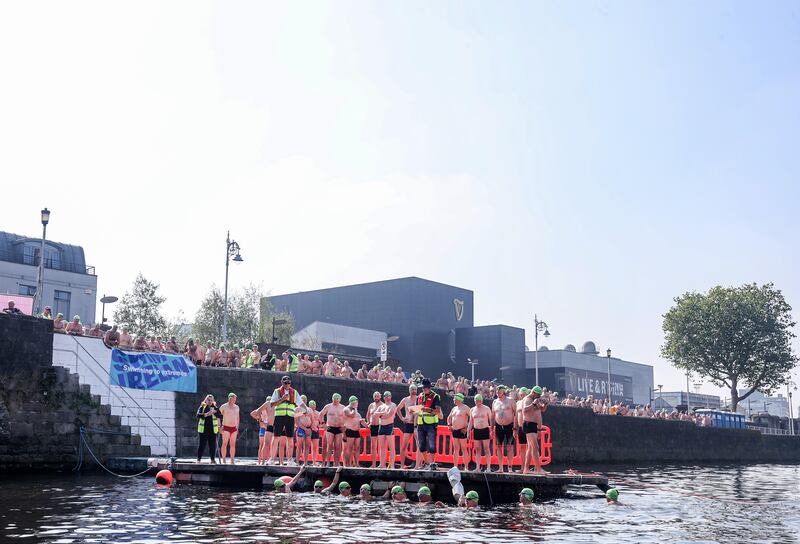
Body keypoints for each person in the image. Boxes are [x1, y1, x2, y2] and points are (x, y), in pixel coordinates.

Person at [270, 376, 303, 465]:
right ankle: (272, 459)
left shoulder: (294, 392)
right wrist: (282, 399)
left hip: (290, 416)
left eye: (288, 383)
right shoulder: (277, 391)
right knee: (276, 437)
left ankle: (289, 460)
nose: (287, 384)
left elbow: (301, 403)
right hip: (279, 416)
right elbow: (272, 404)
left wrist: (305, 409)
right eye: (285, 383)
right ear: (282, 382)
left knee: (290, 438)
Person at [416, 378, 442, 470]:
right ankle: (427, 463)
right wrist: (413, 410)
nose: (423, 389)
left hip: (431, 424)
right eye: (422, 388)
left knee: (432, 445)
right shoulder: (419, 396)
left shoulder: (435, 396)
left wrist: (428, 410)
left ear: (428, 387)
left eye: (424, 388)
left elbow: (438, 411)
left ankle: (432, 463)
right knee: (421, 446)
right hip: (420, 423)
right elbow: (417, 409)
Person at [521, 386, 548, 474]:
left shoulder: (535, 400)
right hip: (528, 424)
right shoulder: (527, 399)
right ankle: (538, 469)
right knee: (535, 447)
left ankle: (526, 469)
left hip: (533, 425)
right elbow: (524, 410)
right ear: (534, 392)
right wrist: (533, 404)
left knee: (530, 448)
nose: (539, 397)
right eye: (538, 395)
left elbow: (542, 409)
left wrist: (546, 404)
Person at [492, 385, 517, 473]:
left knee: (510, 447)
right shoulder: (495, 401)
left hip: (509, 425)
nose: (497, 392)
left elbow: (516, 413)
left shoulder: (510, 400)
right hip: (499, 426)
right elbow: (492, 416)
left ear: (504, 392)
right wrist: (492, 429)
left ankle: (510, 467)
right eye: (496, 391)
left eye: (499, 391)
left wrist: (515, 427)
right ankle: (500, 468)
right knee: (499, 446)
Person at [320, 393, 346, 467]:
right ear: (332, 399)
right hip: (330, 428)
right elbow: (321, 414)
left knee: (337, 446)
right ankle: (328, 462)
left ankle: (336, 463)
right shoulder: (328, 406)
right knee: (330, 445)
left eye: (337, 399)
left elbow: (347, 417)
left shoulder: (343, 407)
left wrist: (345, 426)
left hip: (339, 428)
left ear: (340, 400)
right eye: (334, 399)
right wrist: (323, 424)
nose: (336, 401)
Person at [447, 393, 471, 471]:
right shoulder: (454, 408)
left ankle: (466, 467)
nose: (453, 400)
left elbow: (472, 418)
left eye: (454, 399)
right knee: (456, 449)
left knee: (464, 448)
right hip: (455, 430)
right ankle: (455, 466)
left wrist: (467, 427)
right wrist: (449, 425)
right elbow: (449, 417)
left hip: (462, 430)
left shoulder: (466, 408)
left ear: (459, 399)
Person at [469, 394, 492, 472]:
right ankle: (477, 467)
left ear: (481, 401)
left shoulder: (486, 408)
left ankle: (488, 468)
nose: (477, 402)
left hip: (485, 429)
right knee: (477, 449)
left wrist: (491, 431)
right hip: (476, 430)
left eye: (478, 401)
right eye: (476, 401)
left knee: (486, 449)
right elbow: (470, 422)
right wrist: (468, 432)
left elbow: (491, 420)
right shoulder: (472, 409)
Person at [396, 384, 418, 468]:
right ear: (409, 390)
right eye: (412, 389)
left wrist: (413, 410)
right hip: (408, 424)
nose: (413, 391)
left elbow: (419, 410)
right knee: (404, 445)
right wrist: (402, 418)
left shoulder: (419, 399)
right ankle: (402, 465)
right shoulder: (405, 400)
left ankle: (418, 465)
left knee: (419, 445)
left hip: (416, 424)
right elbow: (398, 409)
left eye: (415, 389)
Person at [250, 396, 275, 465]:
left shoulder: (273, 409)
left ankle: (268, 461)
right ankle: (260, 462)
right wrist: (260, 419)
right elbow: (252, 413)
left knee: (269, 445)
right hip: (263, 428)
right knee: (262, 445)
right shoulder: (263, 409)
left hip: (269, 428)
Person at [376, 391, 398, 468]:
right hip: (381, 426)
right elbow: (375, 414)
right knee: (382, 447)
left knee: (391, 447)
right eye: (386, 396)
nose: (388, 398)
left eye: (389, 396)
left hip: (389, 426)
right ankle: (382, 464)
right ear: (384, 397)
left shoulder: (393, 405)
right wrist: (382, 414)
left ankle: (392, 465)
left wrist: (381, 415)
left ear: (391, 397)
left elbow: (389, 414)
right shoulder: (381, 406)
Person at [343, 396, 366, 467]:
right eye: (355, 402)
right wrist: (354, 408)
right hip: (349, 431)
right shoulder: (347, 409)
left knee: (357, 448)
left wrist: (368, 425)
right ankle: (348, 464)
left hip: (356, 431)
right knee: (349, 448)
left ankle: (357, 464)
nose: (357, 404)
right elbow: (351, 415)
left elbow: (361, 421)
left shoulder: (357, 412)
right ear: (352, 402)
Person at [196, 394, 220, 463]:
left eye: (211, 400)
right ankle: (198, 459)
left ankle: (212, 460)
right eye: (208, 400)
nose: (210, 401)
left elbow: (220, 415)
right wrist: (206, 414)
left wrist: (215, 412)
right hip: (203, 429)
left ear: (213, 401)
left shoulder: (215, 407)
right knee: (202, 445)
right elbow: (198, 415)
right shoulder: (202, 407)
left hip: (212, 429)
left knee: (212, 445)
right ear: (206, 400)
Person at [219, 392, 240, 464]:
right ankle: (224, 460)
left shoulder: (237, 407)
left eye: (235, 399)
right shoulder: (223, 406)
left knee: (233, 444)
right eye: (233, 398)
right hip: (226, 427)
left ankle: (232, 460)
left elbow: (238, 418)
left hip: (234, 428)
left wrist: (237, 427)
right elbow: (218, 416)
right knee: (224, 443)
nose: (235, 400)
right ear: (230, 398)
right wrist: (219, 426)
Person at [366, 391, 383, 468]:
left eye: (377, 396)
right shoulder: (371, 405)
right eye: (375, 396)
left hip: (380, 426)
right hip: (373, 426)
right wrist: (368, 422)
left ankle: (381, 463)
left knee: (381, 446)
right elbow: (368, 415)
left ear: (380, 397)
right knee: (373, 446)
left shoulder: (382, 405)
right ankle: (373, 464)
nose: (376, 397)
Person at [516, 387, 530, 471]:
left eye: (523, 394)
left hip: (528, 426)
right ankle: (522, 468)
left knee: (532, 447)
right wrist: (514, 428)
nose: (521, 396)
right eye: (520, 394)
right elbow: (515, 416)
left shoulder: (529, 402)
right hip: (520, 427)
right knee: (522, 447)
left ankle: (534, 467)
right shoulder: (518, 403)